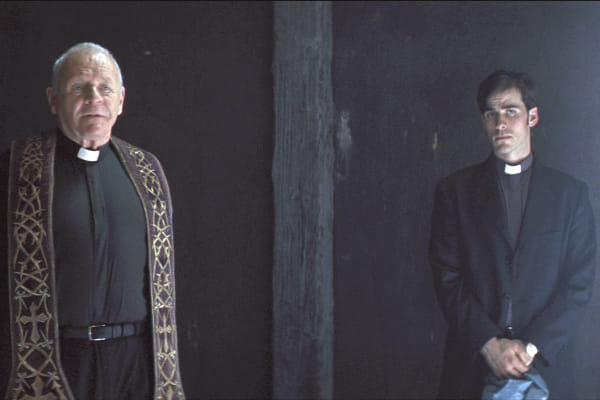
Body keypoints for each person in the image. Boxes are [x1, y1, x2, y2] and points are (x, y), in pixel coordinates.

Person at [0, 42, 185, 399]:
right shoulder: (14, 171)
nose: (94, 98)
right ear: (54, 99)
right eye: (79, 87)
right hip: (51, 363)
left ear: (121, 100)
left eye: (105, 88)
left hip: (135, 366)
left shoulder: (147, 173)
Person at [429, 70, 596, 398]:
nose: (500, 123)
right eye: (491, 114)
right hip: (472, 364)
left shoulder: (570, 195)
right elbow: (447, 276)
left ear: (532, 117)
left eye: (510, 111)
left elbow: (580, 282)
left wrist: (531, 348)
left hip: (547, 365)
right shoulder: (455, 192)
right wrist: (489, 344)